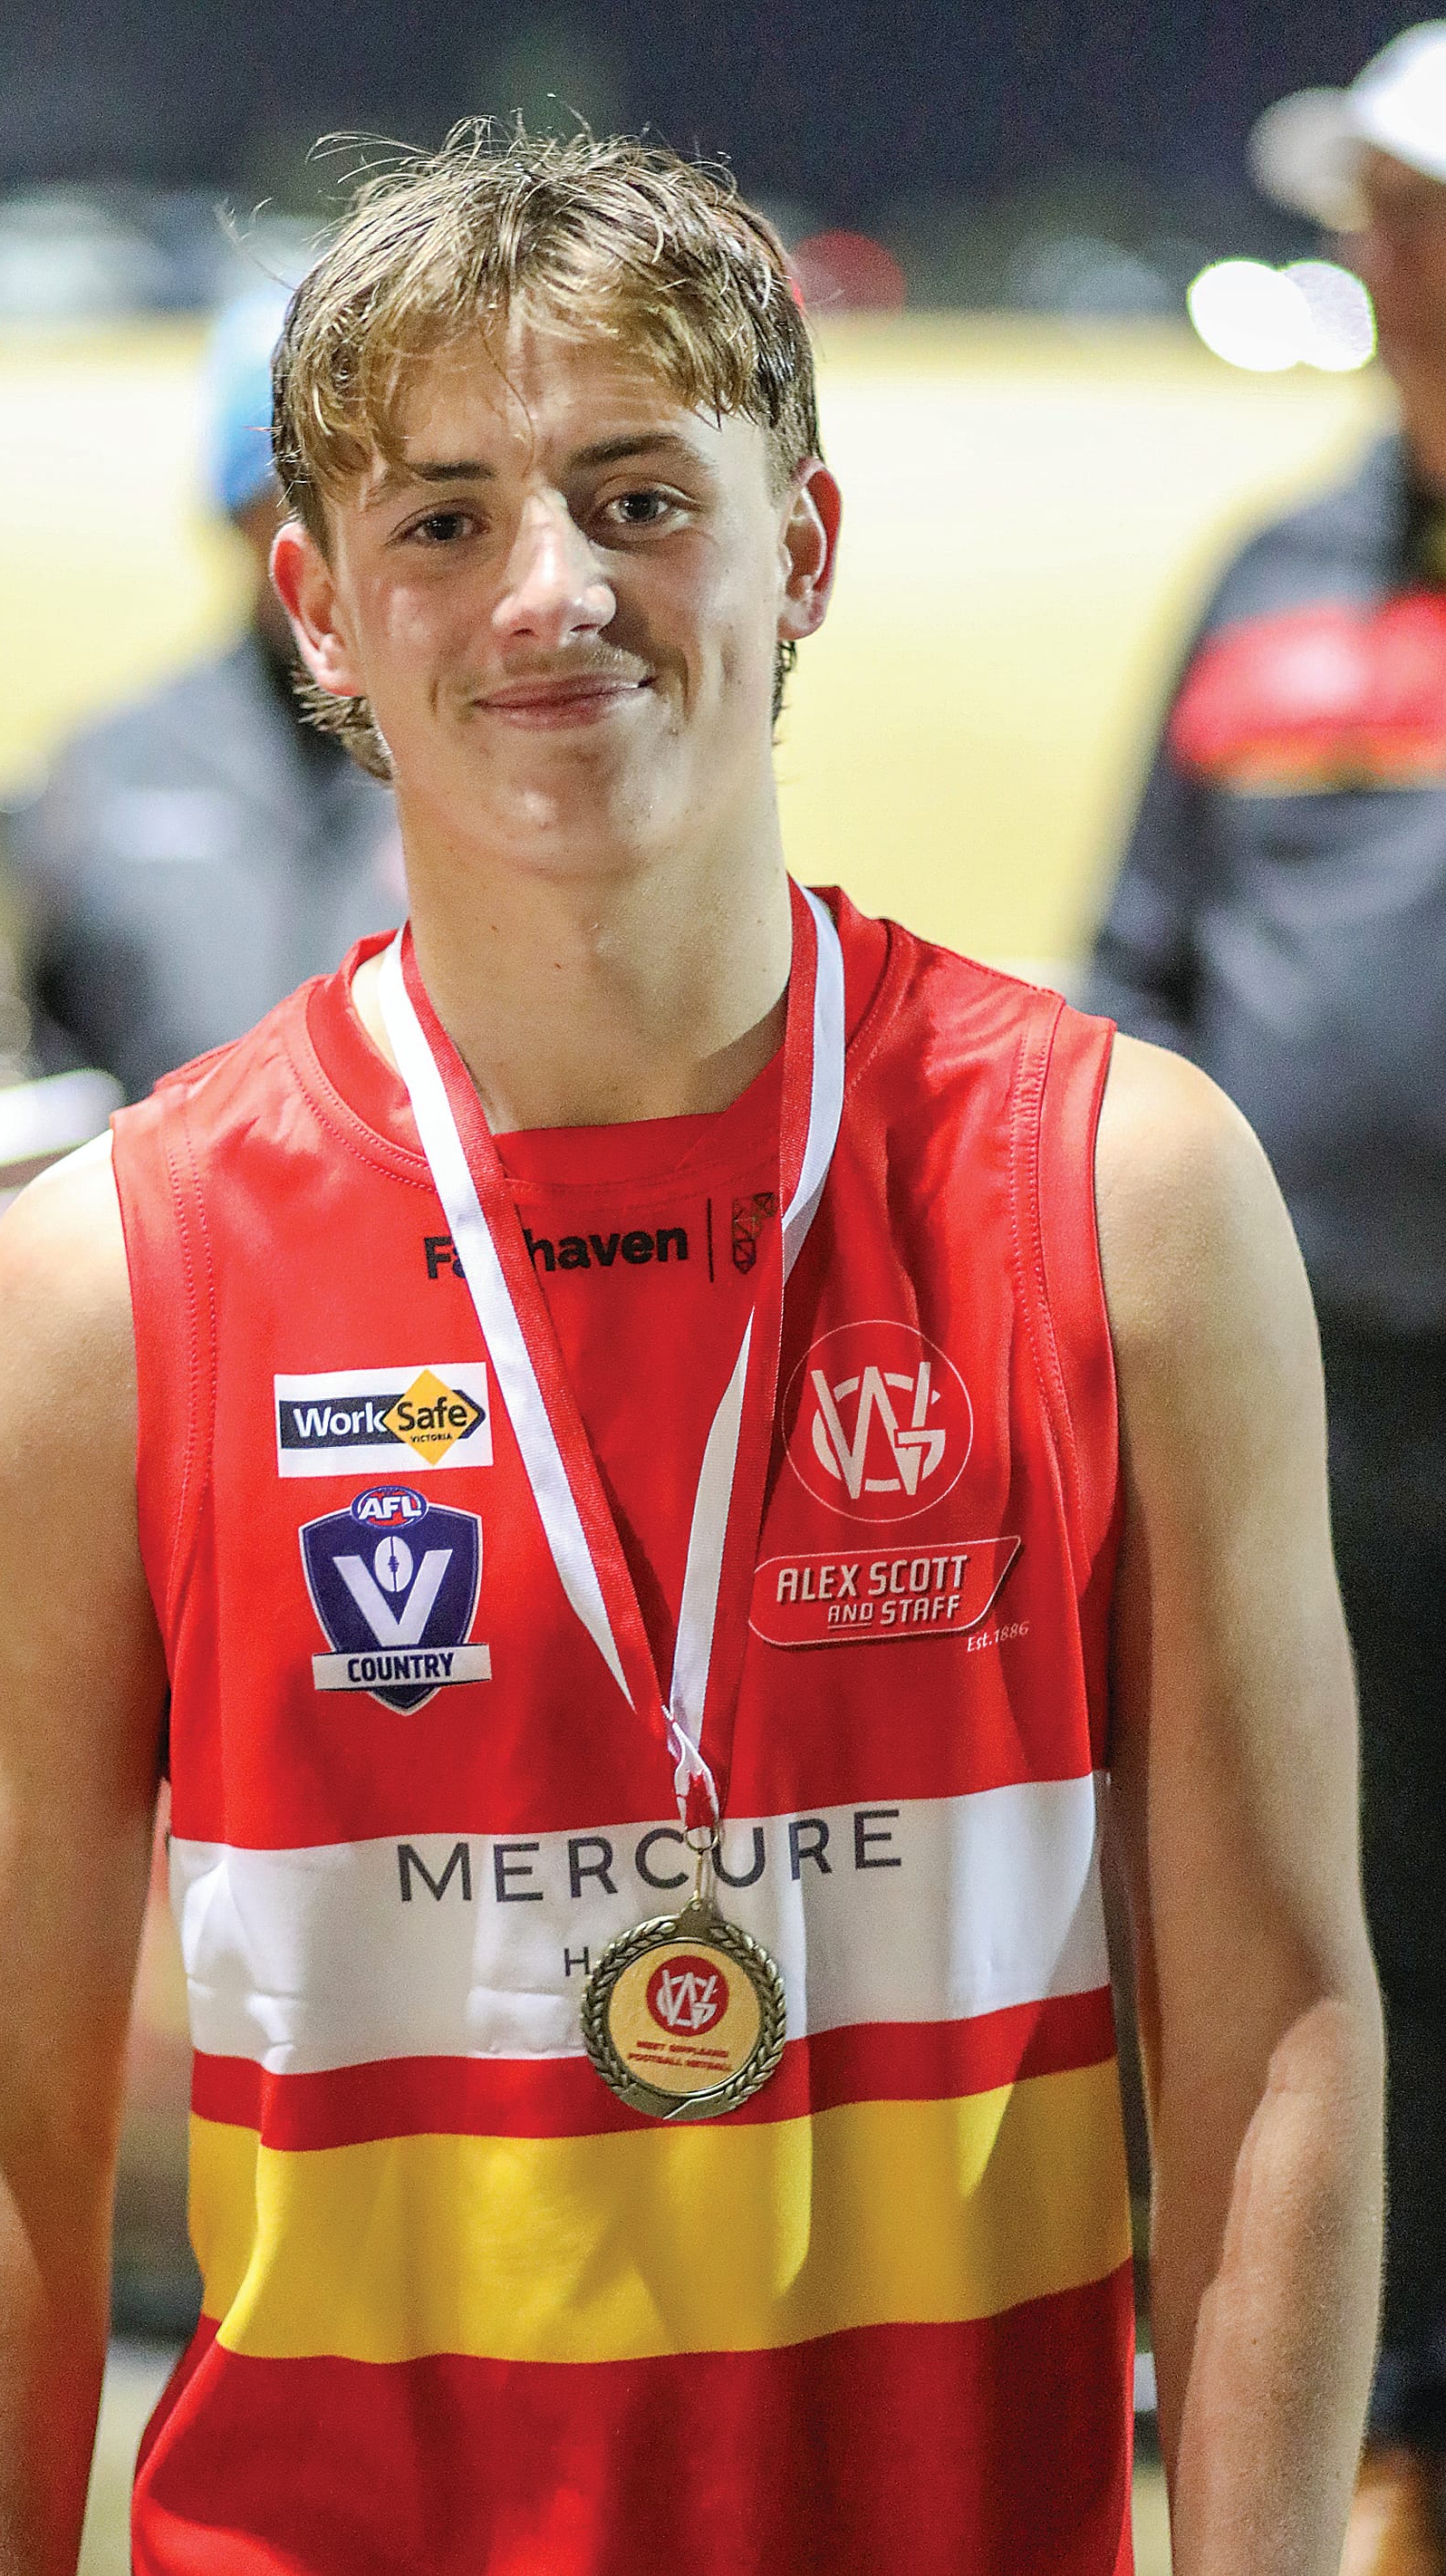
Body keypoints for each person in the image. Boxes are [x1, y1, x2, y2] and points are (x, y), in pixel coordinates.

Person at [0, 128, 1382, 2574]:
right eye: (444, 518)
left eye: (638, 492)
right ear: (318, 609)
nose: (551, 591)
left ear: (800, 544)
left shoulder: (1124, 1196)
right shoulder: (108, 1288)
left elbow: (1280, 2034)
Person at [1088, 26, 1446, 2567]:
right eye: (1382, 219)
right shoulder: (1272, 578)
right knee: (1333, 1928)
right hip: (1319, 1426)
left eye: (1428, 214)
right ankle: (1377, 2425)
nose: (1393, 264)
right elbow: (1141, 962)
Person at [0, 291, 400, 1276]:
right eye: (286, 501)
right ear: (237, 519)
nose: (324, 544)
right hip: (168, 1338)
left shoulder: (495, 752)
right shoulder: (109, 764)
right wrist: (16, 1261)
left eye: (372, 503)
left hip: (442, 1322)